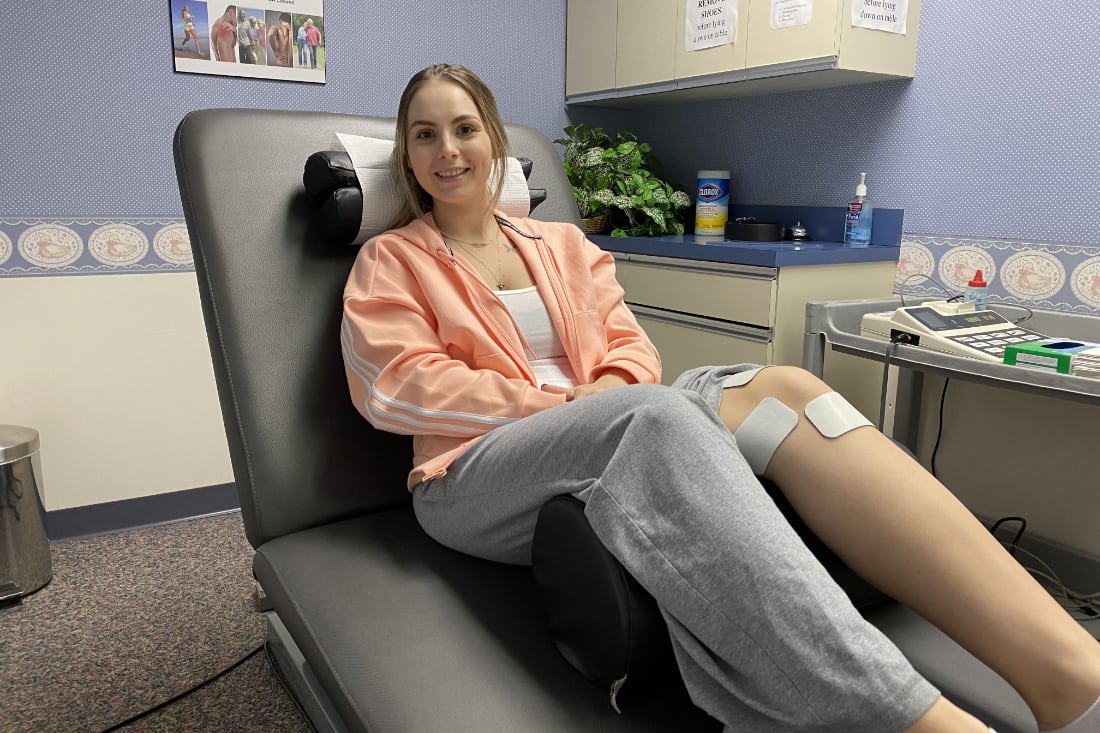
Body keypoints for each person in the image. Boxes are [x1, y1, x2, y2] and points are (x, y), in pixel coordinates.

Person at [341, 63, 1100, 733]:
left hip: (606, 417)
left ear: (495, 141)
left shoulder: (564, 244)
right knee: (652, 415)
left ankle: (1070, 674)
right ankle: (912, 719)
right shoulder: (393, 258)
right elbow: (398, 386)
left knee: (788, 391)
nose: (448, 150)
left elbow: (632, 345)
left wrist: (603, 390)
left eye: (464, 128)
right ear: (406, 158)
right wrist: (570, 405)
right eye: (424, 135)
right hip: (471, 472)